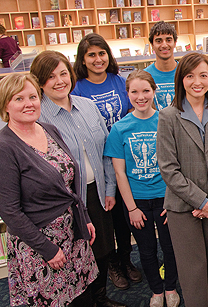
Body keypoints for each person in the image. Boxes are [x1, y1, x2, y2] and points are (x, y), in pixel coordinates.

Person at [30, 50, 127, 307]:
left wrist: (109, 188)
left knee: (104, 249)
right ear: (40, 82)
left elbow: (107, 150)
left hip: (97, 192)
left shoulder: (87, 105)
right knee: (75, 254)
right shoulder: (36, 115)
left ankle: (100, 298)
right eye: (50, 77)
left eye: (63, 73)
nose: (60, 81)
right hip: (65, 201)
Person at [0, 73, 97, 307]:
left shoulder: (49, 129)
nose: (28, 103)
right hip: (39, 245)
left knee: (81, 297)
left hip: (72, 234)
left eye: (33, 96)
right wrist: (49, 249)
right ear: (5, 105)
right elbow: (10, 211)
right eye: (18, 98)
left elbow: (68, 183)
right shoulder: (5, 147)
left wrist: (84, 217)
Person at [156, 53, 208, 306]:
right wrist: (201, 201)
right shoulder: (169, 116)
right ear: (181, 80)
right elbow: (168, 169)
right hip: (183, 208)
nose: (197, 82)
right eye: (190, 75)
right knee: (193, 271)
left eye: (203, 75)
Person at [104, 70, 180, 307]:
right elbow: (119, 173)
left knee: (170, 248)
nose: (141, 96)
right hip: (137, 201)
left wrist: (172, 200)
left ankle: (170, 288)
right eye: (134, 91)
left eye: (146, 90)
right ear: (127, 94)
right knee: (146, 250)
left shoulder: (168, 120)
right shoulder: (119, 129)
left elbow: (177, 164)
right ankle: (156, 290)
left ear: (154, 92)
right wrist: (132, 208)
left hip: (166, 198)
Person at [72, 33, 141, 291]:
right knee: (105, 218)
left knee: (125, 216)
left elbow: (133, 111)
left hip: (123, 159)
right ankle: (112, 263)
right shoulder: (77, 88)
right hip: (95, 163)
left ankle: (126, 259)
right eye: (91, 55)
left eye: (102, 53)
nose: (98, 59)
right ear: (83, 59)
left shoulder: (119, 81)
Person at [144, 21, 178, 111]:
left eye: (168, 40)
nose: (164, 45)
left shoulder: (186, 72)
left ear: (175, 43)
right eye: (159, 41)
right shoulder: (145, 76)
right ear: (152, 45)